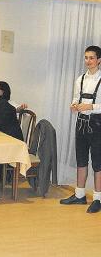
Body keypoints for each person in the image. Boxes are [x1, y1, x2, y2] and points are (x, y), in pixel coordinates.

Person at [62, 46, 101, 213]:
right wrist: (74, 105)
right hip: (81, 123)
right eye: (86, 57)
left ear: (99, 60)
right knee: (81, 159)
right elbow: (75, 98)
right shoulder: (80, 79)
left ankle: (98, 198)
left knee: (98, 163)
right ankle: (79, 195)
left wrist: (90, 106)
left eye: (91, 58)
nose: (88, 61)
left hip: (97, 123)